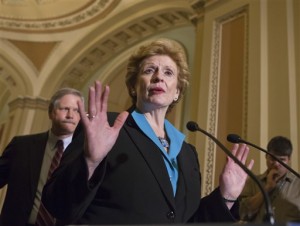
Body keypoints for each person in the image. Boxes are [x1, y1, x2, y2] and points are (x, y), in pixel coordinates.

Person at [42, 38, 254, 225]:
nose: (158, 77)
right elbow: (58, 205)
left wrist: (226, 196)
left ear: (177, 92)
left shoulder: (187, 154)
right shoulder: (106, 126)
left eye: (168, 72)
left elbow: (187, 220)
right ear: (134, 86)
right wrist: (89, 161)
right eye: (149, 70)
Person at [0, 88, 84, 226]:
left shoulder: (85, 153)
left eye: (76, 110)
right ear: (51, 112)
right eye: (65, 109)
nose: (71, 115)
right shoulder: (21, 146)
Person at [239, 136, 300, 223]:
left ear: (289, 160)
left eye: (282, 160)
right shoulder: (252, 181)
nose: (276, 164)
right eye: (273, 159)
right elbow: (242, 213)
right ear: (266, 156)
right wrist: (267, 188)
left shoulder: (298, 183)